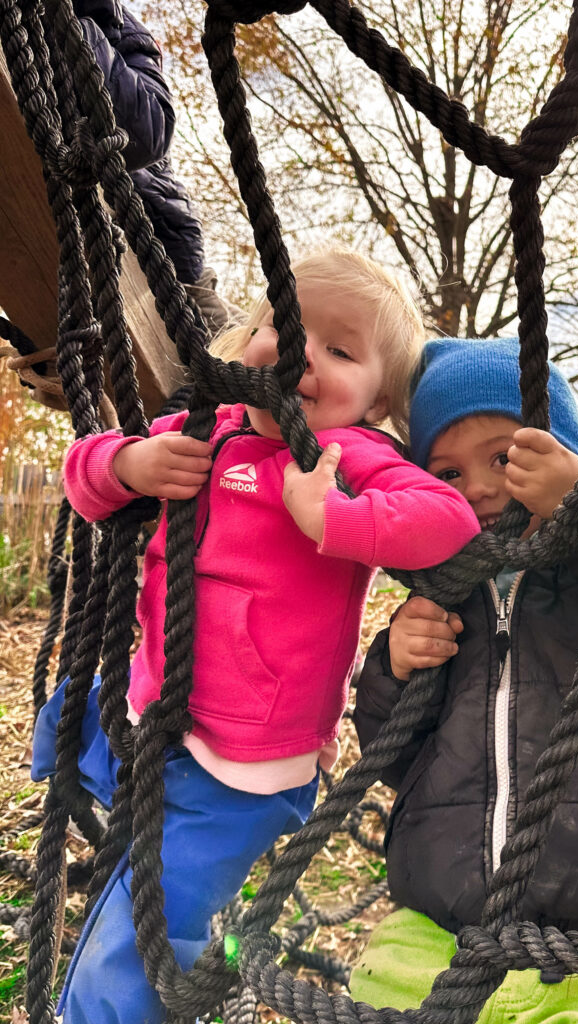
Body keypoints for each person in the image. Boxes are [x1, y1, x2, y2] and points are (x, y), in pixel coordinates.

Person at [30, 248, 481, 1024]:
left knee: (150, 925)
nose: (304, 354)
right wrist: (133, 464)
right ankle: (91, 790)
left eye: (340, 351)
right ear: (249, 343)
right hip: (152, 708)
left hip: (244, 763)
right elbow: (85, 475)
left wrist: (330, 516)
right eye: (287, 327)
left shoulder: (354, 458)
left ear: (375, 404)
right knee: (72, 711)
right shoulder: (205, 429)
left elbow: (449, 523)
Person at [351, 337, 578, 1023]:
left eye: (505, 457)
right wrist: (394, 667)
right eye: (448, 474)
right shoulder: (449, 594)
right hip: (444, 925)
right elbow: (396, 760)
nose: (481, 487)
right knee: (377, 989)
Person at [76, 0, 239, 332]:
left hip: (167, 254)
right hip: (85, 245)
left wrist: (74, 28)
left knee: (241, 351)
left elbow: (148, 133)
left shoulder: (119, 28)